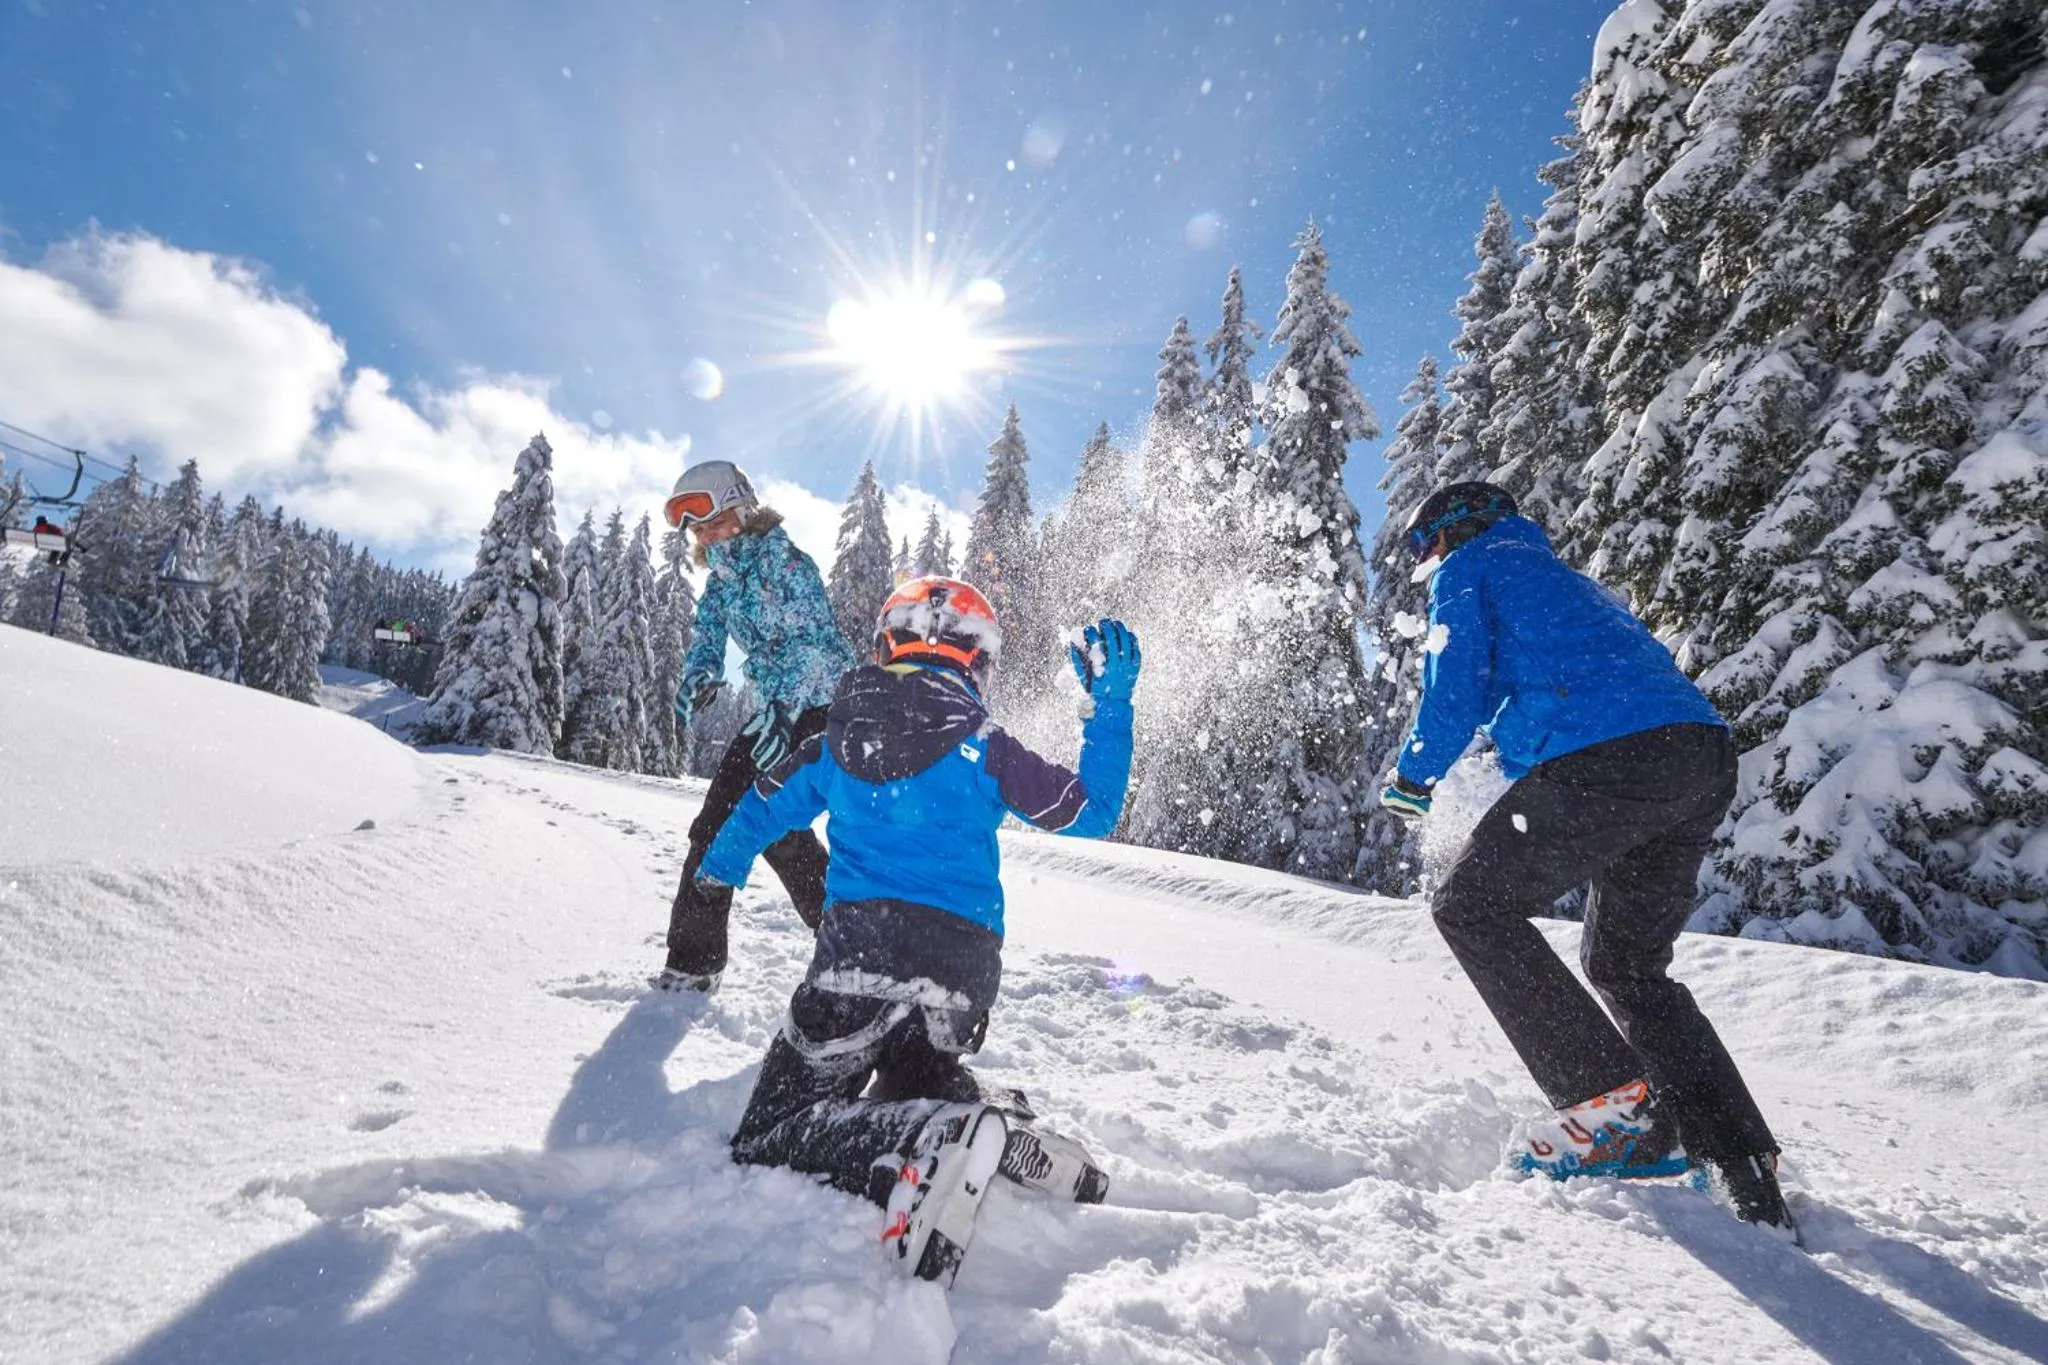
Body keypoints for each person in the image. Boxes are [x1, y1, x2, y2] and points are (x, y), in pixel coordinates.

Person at [695, 577, 1139, 1280]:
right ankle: (989, 1128)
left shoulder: (836, 736)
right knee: (911, 1073)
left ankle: (936, 1136)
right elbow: (1091, 810)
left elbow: (760, 807)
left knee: (770, 1130)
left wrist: (716, 871)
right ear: (977, 661)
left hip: (856, 964)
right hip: (961, 978)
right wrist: (1108, 706)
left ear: (887, 645)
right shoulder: (988, 746)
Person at [1379, 481, 1791, 1232]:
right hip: (1697, 756)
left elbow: (1455, 684)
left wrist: (1414, 777)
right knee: (1627, 966)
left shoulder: (1472, 565)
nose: (1425, 561)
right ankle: (1741, 1166)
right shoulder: (1565, 581)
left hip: (1610, 756)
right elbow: (1570, 683)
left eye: (1424, 544)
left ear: (1457, 529)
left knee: (1469, 905)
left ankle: (1614, 1110)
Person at [659, 459, 857, 992]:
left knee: (731, 818)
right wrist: (700, 671)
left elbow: (816, 644)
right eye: (698, 531)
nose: (707, 536)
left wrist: (789, 707)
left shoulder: (787, 564)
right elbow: (707, 636)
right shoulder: (721, 584)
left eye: (714, 522)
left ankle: (693, 967)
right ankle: (846, 942)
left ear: (743, 510)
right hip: (777, 710)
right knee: (770, 828)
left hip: (823, 704)